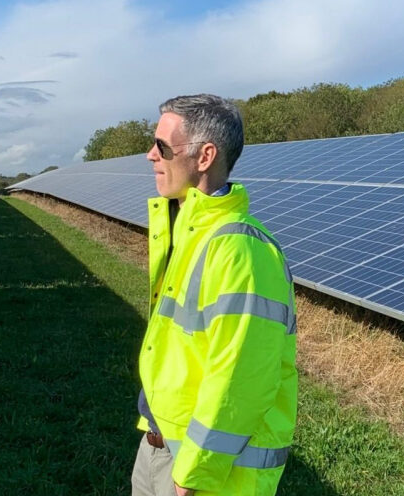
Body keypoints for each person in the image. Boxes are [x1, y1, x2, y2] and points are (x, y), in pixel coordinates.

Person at [131, 94, 298, 496]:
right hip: (159, 445)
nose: (150, 155)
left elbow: (241, 377)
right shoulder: (188, 234)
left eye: (162, 146)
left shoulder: (241, 250)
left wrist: (194, 473)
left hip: (205, 474)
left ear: (205, 156)